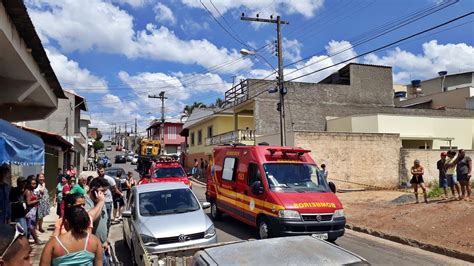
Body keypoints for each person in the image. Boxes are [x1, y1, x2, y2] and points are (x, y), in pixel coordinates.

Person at [85, 177, 110, 265]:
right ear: (93, 190)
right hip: (92, 251)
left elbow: (104, 222)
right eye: (101, 191)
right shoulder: (86, 202)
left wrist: (105, 240)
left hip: (103, 247)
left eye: (105, 192)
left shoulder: (100, 201)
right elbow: (89, 219)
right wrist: (101, 202)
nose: (103, 194)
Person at [97, 166, 122, 231]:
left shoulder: (109, 179)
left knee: (107, 218)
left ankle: (107, 231)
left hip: (107, 201)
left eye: (102, 171)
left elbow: (115, 189)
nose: (100, 173)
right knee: (100, 218)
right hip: (98, 201)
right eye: (99, 171)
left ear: (104, 171)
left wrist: (118, 194)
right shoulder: (96, 180)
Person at [24, 176, 43, 245]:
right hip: (30, 211)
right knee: (31, 226)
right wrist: (37, 200)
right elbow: (28, 203)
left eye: (35, 183)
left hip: (33, 210)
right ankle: (36, 240)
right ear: (29, 184)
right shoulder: (28, 191)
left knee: (31, 226)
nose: (34, 185)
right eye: (33, 184)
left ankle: (28, 241)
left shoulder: (31, 190)